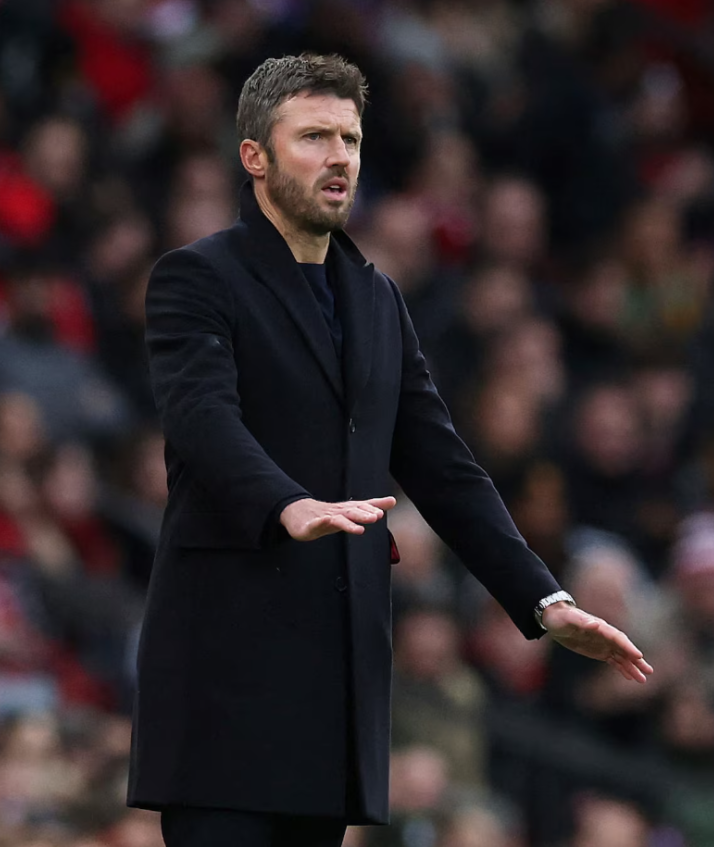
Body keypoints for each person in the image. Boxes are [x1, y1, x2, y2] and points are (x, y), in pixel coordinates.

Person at [126, 53, 653, 847]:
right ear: (255, 156)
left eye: (350, 138)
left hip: (334, 690)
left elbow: (443, 466)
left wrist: (545, 600)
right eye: (314, 137)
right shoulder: (196, 277)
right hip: (226, 678)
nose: (339, 156)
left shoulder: (377, 298)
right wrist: (285, 501)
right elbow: (201, 418)